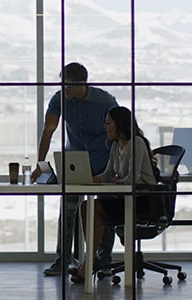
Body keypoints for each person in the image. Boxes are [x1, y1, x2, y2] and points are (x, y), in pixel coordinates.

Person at [31, 62, 119, 276]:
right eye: (62, 84)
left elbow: (119, 130)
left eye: (68, 85)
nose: (65, 89)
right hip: (74, 160)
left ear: (82, 83)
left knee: (103, 211)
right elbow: (49, 129)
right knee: (68, 209)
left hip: (103, 161)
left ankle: (103, 261)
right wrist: (41, 164)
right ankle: (62, 260)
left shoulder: (105, 100)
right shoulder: (59, 98)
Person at [70, 106, 158, 283]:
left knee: (94, 208)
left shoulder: (137, 143)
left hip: (144, 200)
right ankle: (92, 259)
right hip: (127, 199)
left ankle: (89, 264)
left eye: (108, 123)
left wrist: (119, 181)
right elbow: (107, 175)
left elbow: (133, 178)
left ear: (120, 124)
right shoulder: (116, 146)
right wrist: (86, 178)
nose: (105, 127)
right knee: (87, 206)